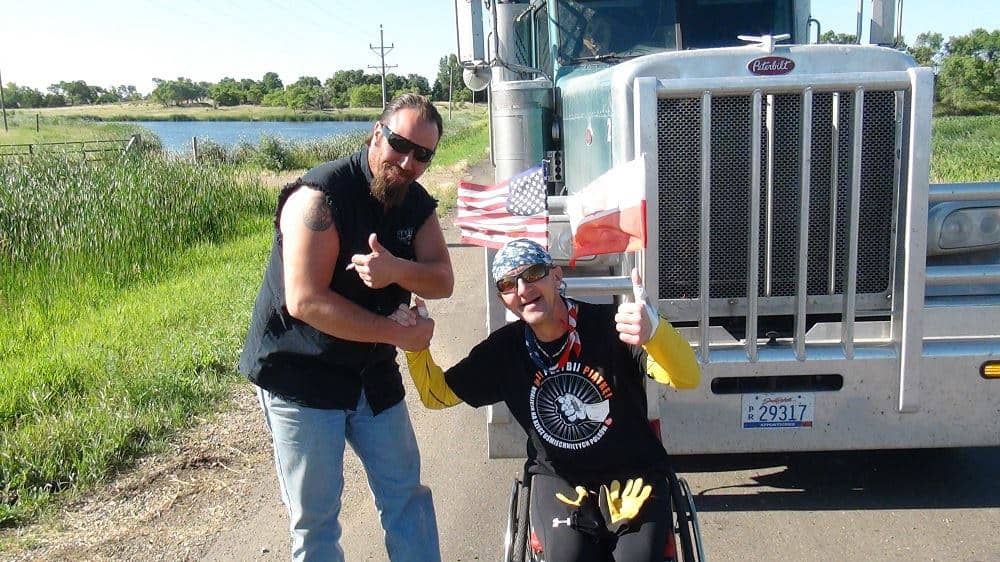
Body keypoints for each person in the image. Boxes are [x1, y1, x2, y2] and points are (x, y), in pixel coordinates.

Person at [238, 93, 453, 562]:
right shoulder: (321, 197)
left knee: (407, 496)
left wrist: (396, 270)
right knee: (315, 523)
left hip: (370, 372)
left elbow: (443, 279)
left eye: (422, 155)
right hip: (302, 373)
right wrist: (399, 334)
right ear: (377, 134)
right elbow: (305, 300)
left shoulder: (415, 202)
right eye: (399, 144)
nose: (408, 162)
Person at [392, 238, 700, 561]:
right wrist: (416, 347)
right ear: (502, 299)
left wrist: (656, 334)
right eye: (508, 284)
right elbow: (437, 394)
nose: (523, 289)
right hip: (559, 478)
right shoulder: (504, 351)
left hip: (633, 471)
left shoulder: (614, 327)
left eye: (532, 273)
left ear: (556, 276)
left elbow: (687, 377)